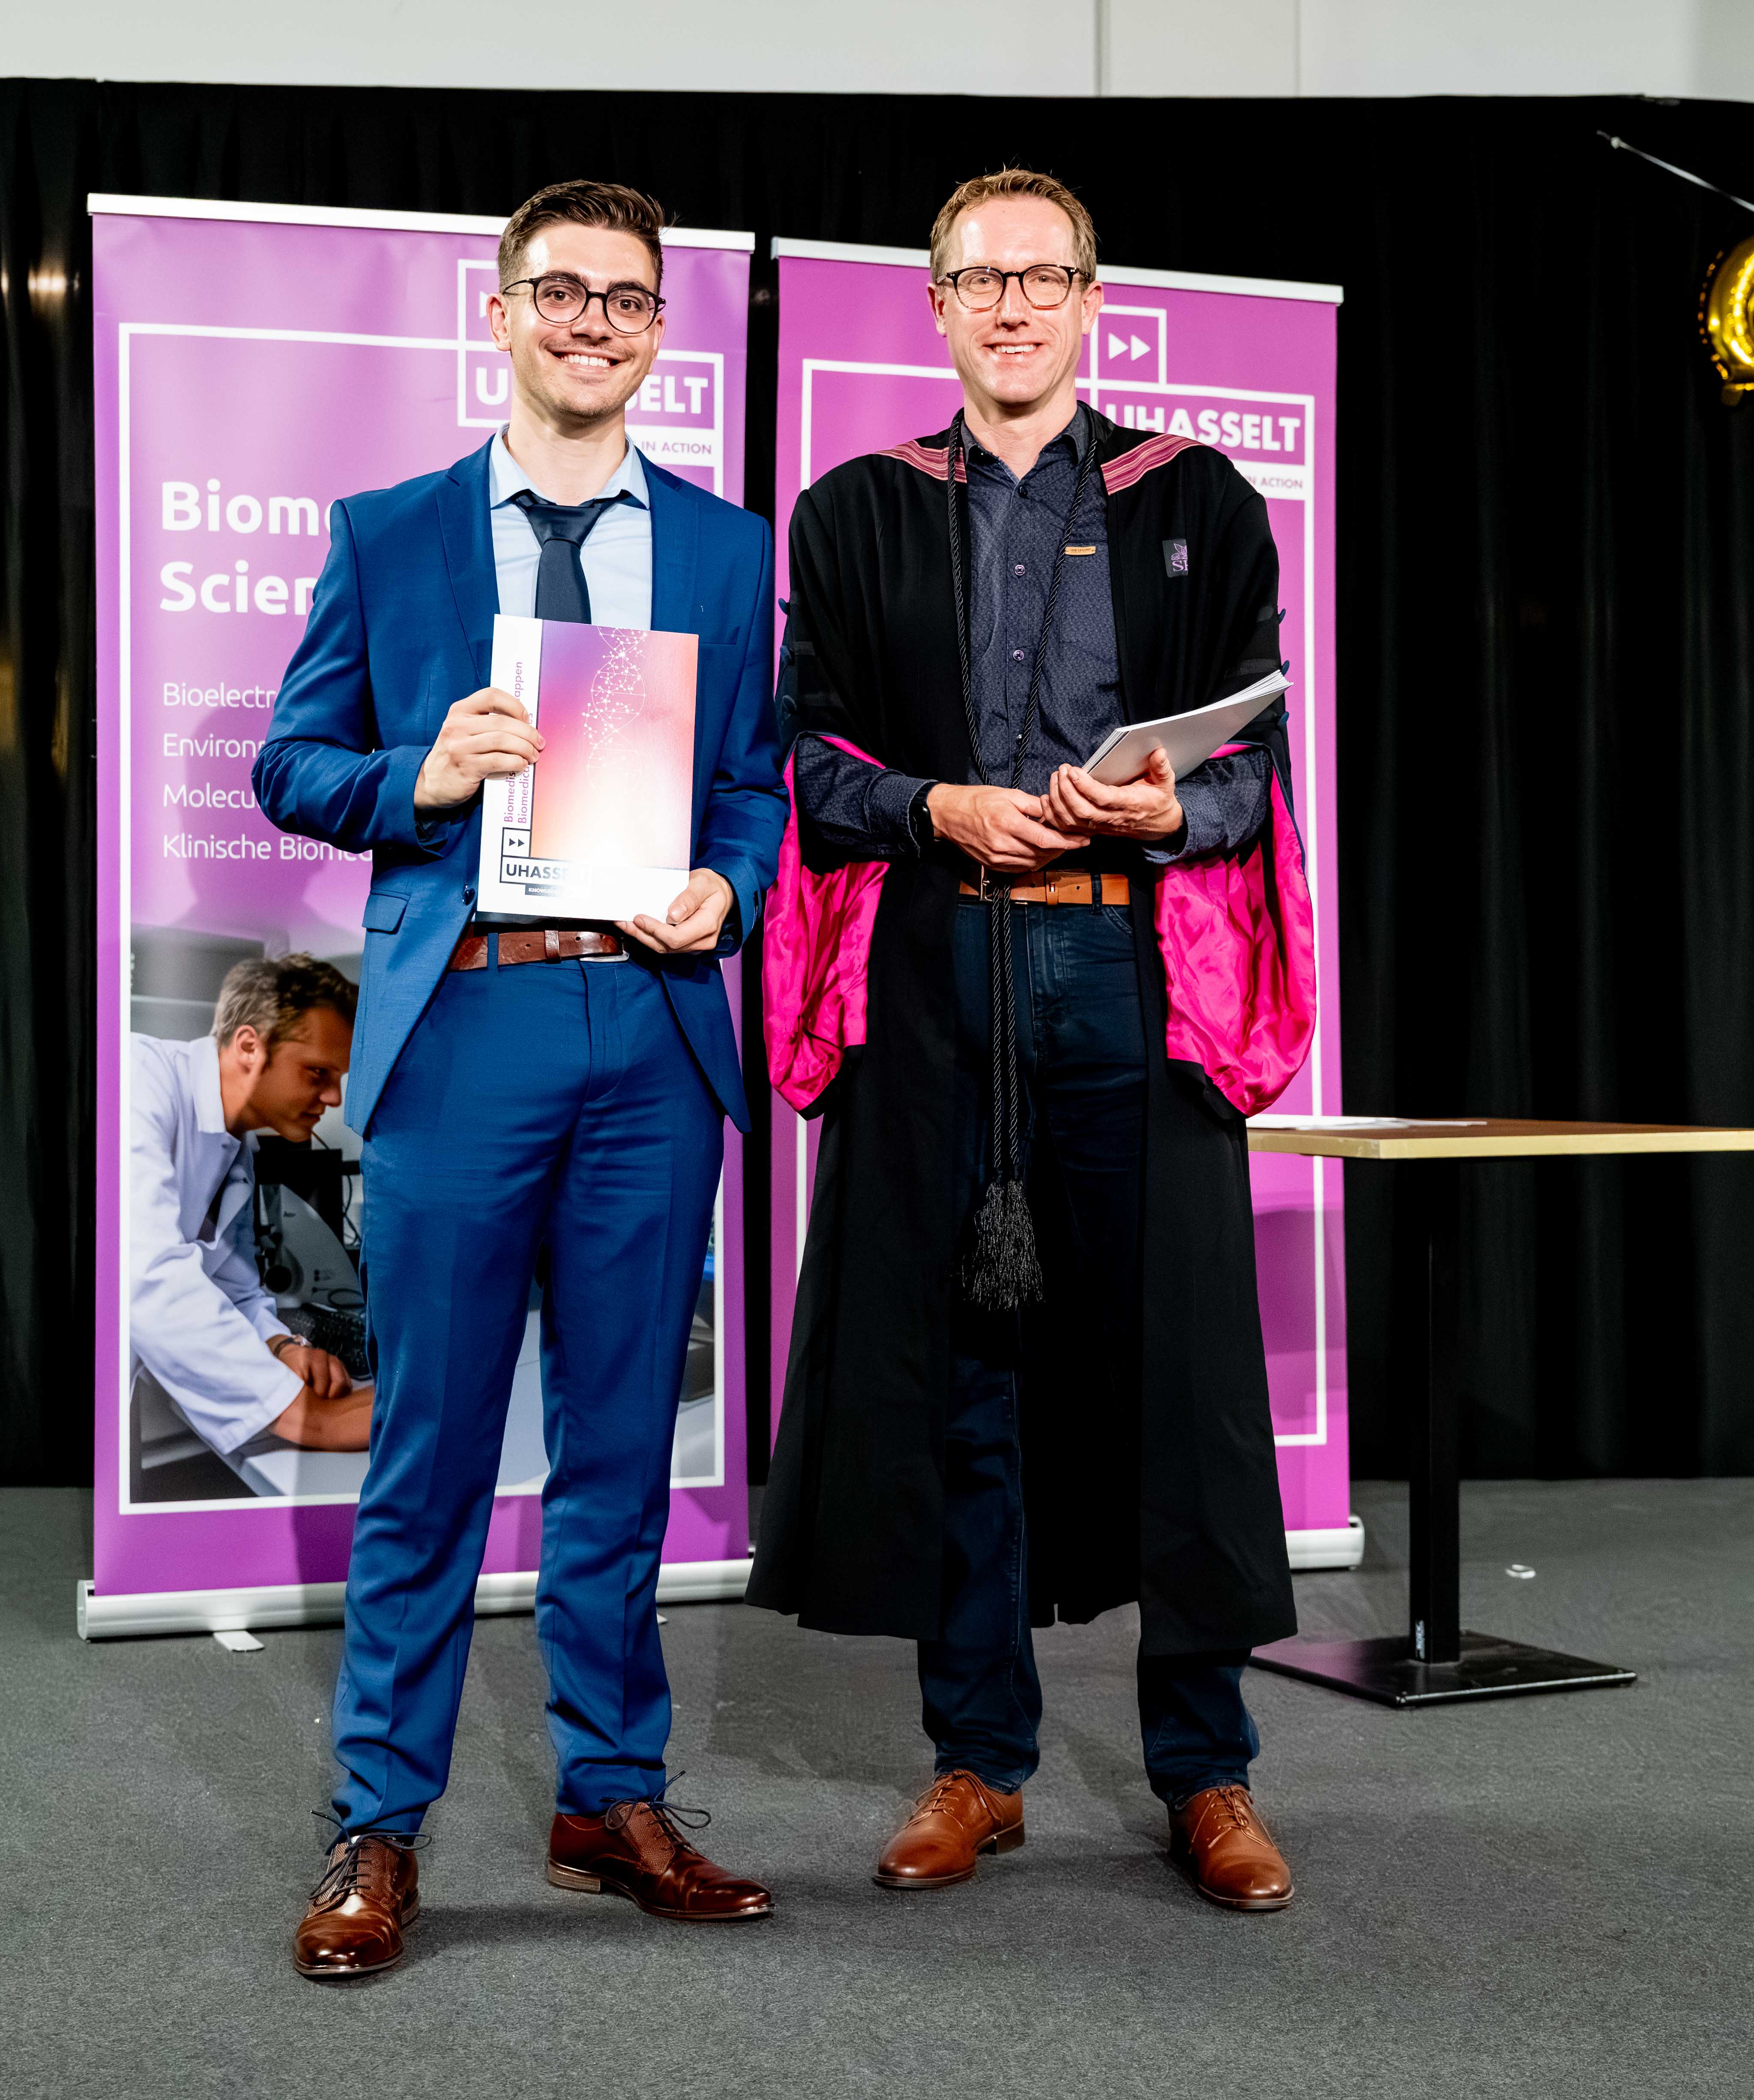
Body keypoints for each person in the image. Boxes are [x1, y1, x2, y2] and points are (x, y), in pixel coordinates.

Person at [750, 167, 1317, 1912]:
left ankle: (1204, 1770)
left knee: (1174, 1371)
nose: (1010, 305)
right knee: (960, 1375)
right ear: (934, 304)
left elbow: (1252, 765)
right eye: (978, 278)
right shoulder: (855, 512)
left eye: (1042, 276)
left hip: (1131, 971)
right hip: (938, 968)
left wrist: (1170, 808)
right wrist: (936, 805)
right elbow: (804, 760)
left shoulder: (1196, 499)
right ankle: (977, 1758)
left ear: (1090, 300)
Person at [253, 179, 787, 1980]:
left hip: (650, 1027)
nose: (591, 322)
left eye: (625, 299)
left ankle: (608, 1796)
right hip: (467, 1024)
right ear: (498, 314)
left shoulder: (723, 550)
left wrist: (733, 887)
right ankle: (380, 1817)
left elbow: (755, 786)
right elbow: (291, 763)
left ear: (660, 332)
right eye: (560, 291)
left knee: (621, 1451)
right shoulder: (393, 534)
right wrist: (417, 771)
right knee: (430, 1453)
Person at [124, 954, 370, 1478]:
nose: (333, 1097)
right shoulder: (140, 1078)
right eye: (318, 1073)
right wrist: (316, 1420)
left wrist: (282, 1347)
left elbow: (233, 1289)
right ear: (248, 1047)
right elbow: (146, 1277)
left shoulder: (238, 1147)